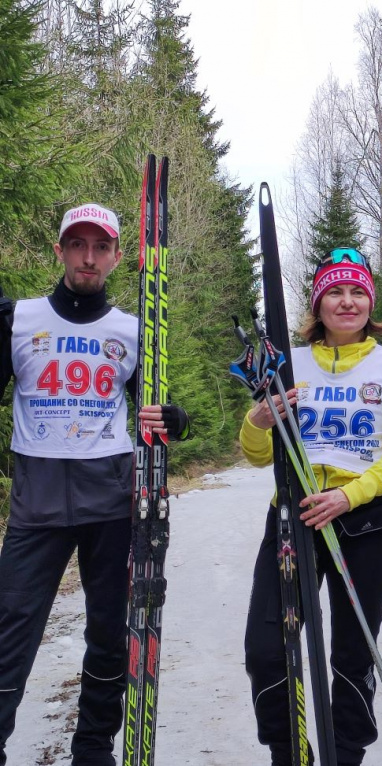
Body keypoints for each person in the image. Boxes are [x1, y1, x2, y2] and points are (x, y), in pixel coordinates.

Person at [0, 203, 190, 766]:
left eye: (100, 247)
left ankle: (92, 748)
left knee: (109, 627)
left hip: (111, 496)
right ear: (59, 251)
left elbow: (157, 407)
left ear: (114, 256)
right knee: (10, 625)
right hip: (37, 498)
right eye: (77, 245)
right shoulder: (22, 319)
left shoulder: (133, 330)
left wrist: (175, 420)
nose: (88, 257)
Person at [240, 247, 382, 766]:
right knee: (267, 649)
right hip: (292, 519)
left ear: (370, 300)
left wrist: (347, 495)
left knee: (351, 654)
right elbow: (256, 456)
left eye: (357, 291)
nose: (347, 301)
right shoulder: (287, 364)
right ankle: (287, 753)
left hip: (361, 521)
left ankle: (346, 756)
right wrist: (258, 420)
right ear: (318, 305)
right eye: (335, 292)